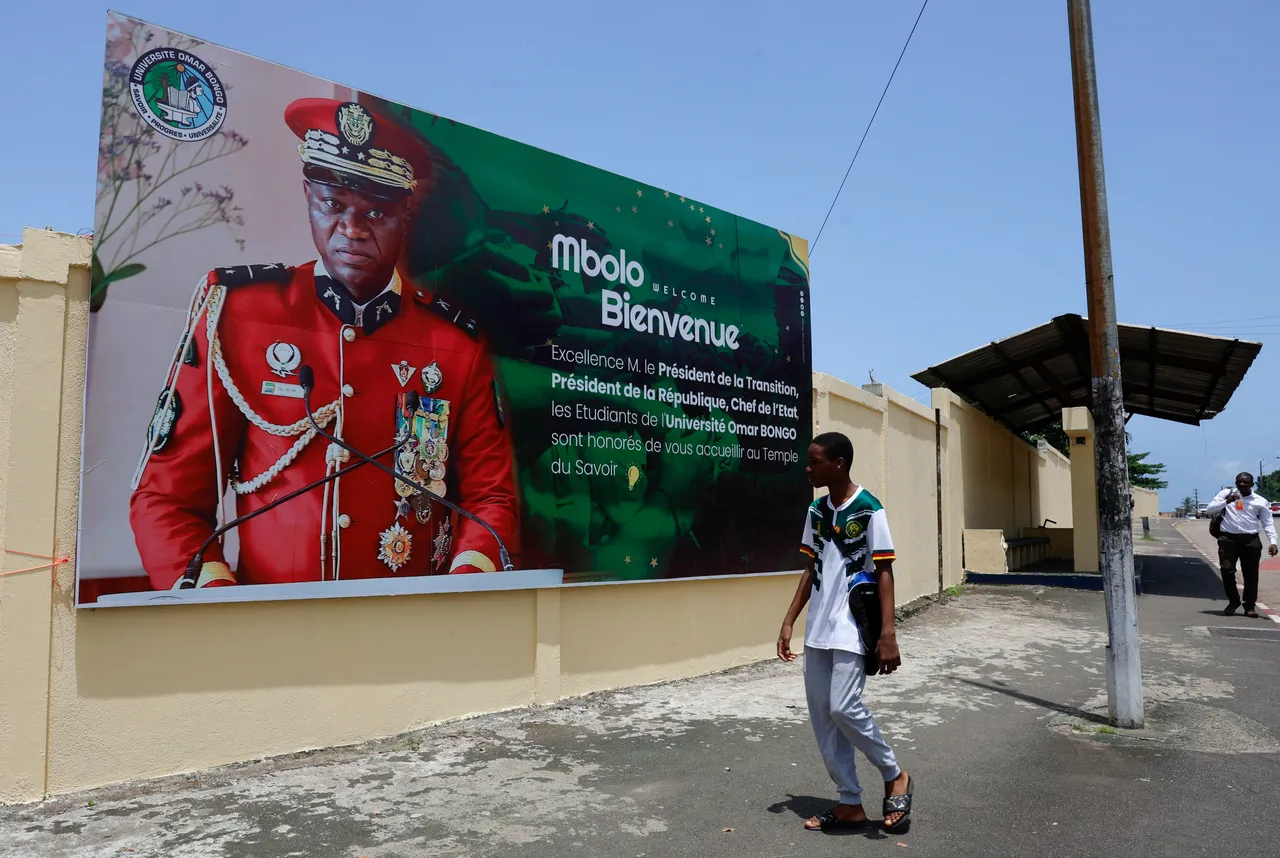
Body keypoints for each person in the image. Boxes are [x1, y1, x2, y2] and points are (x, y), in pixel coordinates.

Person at [129, 98, 519, 589]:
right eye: (332, 205)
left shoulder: (453, 342)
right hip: (267, 633)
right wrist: (217, 609)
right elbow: (167, 498)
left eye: (376, 212)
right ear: (308, 196)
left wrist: (461, 591)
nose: (351, 231)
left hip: (410, 628)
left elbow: (490, 498)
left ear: (406, 215)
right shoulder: (240, 314)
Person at [777, 431, 913, 833]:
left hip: (853, 627)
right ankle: (850, 801)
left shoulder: (870, 508)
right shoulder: (816, 511)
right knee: (823, 715)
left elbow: (884, 571)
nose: (808, 468)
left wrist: (889, 634)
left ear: (838, 463)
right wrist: (789, 620)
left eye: (815, 461)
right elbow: (810, 570)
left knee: (843, 707)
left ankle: (894, 773)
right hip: (818, 627)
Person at [1206, 472, 1278, 618]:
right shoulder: (1226, 494)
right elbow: (1209, 509)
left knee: (1251, 575)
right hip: (1228, 539)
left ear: (1252, 484)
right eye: (1239, 482)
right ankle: (1233, 601)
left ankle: (1249, 606)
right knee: (1227, 570)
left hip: (1250, 540)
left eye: (1245, 482)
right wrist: (1227, 501)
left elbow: (1268, 522)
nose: (1242, 484)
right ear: (1235, 483)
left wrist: (1273, 542)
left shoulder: (1260, 501)